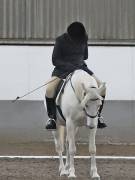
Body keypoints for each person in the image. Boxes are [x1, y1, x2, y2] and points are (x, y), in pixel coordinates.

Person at [45, 22, 107, 130]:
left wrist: (79, 64)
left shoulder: (84, 38)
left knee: (102, 87)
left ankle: (98, 116)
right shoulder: (60, 40)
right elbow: (55, 60)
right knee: (49, 89)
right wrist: (69, 65)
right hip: (62, 69)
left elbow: (85, 56)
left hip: (81, 67)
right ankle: (52, 119)